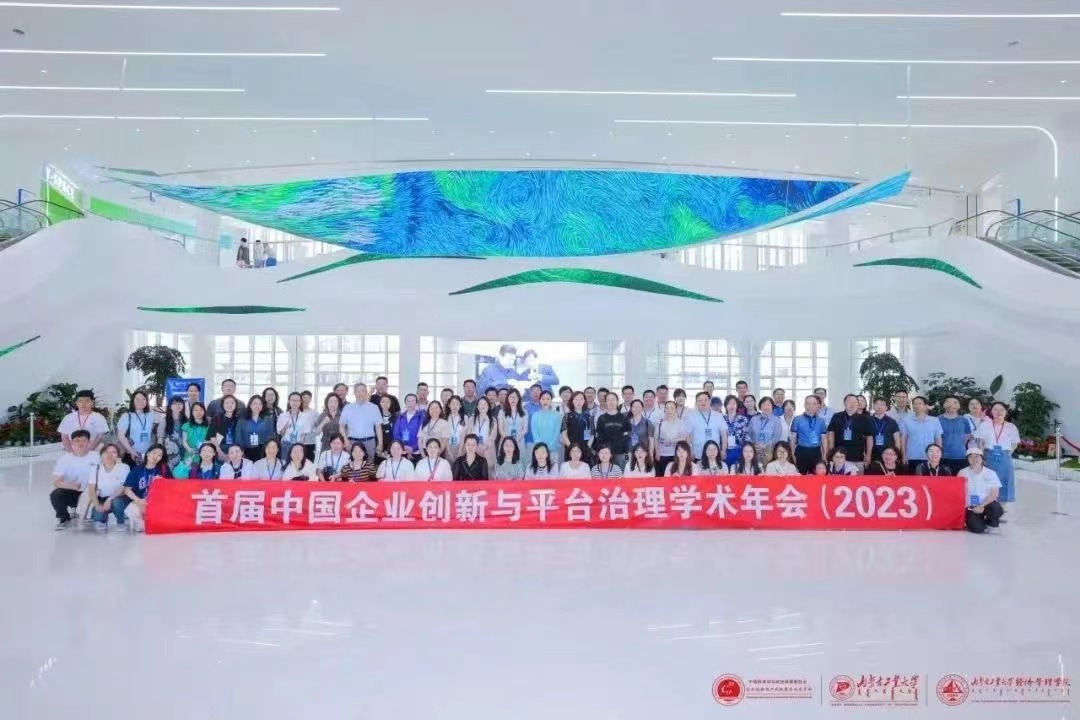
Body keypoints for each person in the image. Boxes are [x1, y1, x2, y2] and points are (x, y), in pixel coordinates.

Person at [49, 429, 97, 529]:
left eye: (84, 440)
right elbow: (57, 482)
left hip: (92, 493)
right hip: (74, 492)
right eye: (77, 441)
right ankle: (64, 518)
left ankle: (89, 513)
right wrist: (72, 486)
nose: (80, 444)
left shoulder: (96, 457)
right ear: (71, 443)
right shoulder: (64, 460)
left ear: (89, 442)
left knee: (94, 517)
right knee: (56, 494)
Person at [975, 401, 1020, 504]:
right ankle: (986, 504)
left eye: (1001, 410)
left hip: (1004, 457)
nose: (998, 412)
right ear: (991, 412)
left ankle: (1002, 506)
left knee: (1004, 480)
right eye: (995, 409)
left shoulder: (1011, 426)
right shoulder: (985, 425)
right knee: (988, 480)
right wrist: (982, 456)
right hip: (988, 456)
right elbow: (980, 442)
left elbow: (1014, 443)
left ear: (1006, 412)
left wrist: (1008, 454)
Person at [122, 444, 172, 533]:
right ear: (148, 453)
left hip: (158, 503)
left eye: (159, 455)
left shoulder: (164, 469)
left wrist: (163, 481)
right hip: (140, 502)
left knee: (154, 525)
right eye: (154, 453)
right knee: (132, 512)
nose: (156, 456)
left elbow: (172, 486)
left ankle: (153, 521)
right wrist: (138, 500)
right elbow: (127, 489)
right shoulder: (137, 470)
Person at [959, 447, 1005, 533]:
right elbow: (958, 492)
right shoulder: (962, 473)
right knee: (978, 529)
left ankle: (992, 523)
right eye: (970, 457)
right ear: (967, 459)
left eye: (977, 456)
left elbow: (994, 494)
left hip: (986, 503)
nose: (974, 459)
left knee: (996, 508)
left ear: (982, 458)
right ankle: (979, 521)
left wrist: (981, 505)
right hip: (970, 506)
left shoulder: (991, 473)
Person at [86, 443, 130, 531]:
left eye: (114, 452)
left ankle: (120, 521)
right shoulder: (95, 469)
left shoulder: (124, 467)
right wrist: (97, 504)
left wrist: (110, 499)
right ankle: (103, 520)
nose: (110, 455)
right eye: (107, 452)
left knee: (116, 502)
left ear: (117, 455)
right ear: (101, 454)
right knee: (98, 516)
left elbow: (123, 487)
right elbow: (91, 489)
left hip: (119, 497)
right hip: (101, 498)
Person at [826, 394, 873, 471]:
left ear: (857, 404)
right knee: (838, 477)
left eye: (855, 402)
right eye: (849, 401)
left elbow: (869, 437)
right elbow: (831, 432)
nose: (852, 404)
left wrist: (868, 454)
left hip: (857, 456)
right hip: (838, 455)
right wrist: (831, 449)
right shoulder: (837, 416)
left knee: (857, 478)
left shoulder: (864, 419)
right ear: (844, 403)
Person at [340, 382, 384, 461]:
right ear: (354, 393)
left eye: (363, 391)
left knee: (369, 466)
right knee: (352, 465)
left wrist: (380, 444)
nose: (360, 393)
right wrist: (345, 441)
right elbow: (341, 426)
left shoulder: (374, 407)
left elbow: (378, 427)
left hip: (369, 443)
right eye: (358, 391)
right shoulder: (347, 408)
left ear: (366, 392)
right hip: (352, 442)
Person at [900, 396, 943, 473]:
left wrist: (939, 456)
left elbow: (938, 439)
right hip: (912, 457)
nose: (917, 406)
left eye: (920, 403)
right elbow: (904, 439)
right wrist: (904, 456)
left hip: (930, 457)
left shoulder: (934, 420)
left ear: (925, 406)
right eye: (914, 404)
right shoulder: (906, 420)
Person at [117, 389, 155, 467]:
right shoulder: (126, 416)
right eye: (137, 399)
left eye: (143, 399)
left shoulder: (151, 415)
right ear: (133, 401)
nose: (140, 401)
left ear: (146, 401)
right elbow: (121, 436)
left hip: (148, 454)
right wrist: (131, 451)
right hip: (132, 454)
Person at [686, 391, 727, 462]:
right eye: (700, 400)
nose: (703, 403)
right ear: (696, 403)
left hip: (715, 454)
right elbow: (688, 436)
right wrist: (690, 451)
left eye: (705, 400)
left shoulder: (718, 416)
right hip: (698, 454)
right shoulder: (691, 417)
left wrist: (723, 450)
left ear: (710, 401)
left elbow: (724, 435)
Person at [790, 395, 827, 474]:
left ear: (818, 405)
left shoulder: (821, 421)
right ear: (804, 405)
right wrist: (792, 454)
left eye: (814, 404)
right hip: (801, 451)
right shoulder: (797, 419)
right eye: (808, 403)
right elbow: (793, 438)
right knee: (800, 476)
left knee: (816, 476)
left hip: (816, 452)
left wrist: (824, 455)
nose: (811, 406)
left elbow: (824, 439)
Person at [594, 392, 632, 468]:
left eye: (613, 399)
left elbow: (628, 438)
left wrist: (627, 455)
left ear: (617, 401)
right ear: (606, 403)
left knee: (621, 473)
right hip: (606, 454)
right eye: (608, 400)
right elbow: (599, 438)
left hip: (621, 454)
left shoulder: (624, 417)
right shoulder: (601, 418)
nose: (611, 402)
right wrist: (599, 452)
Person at [937, 395, 973, 473]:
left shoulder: (964, 420)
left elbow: (967, 437)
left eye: (955, 402)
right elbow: (935, 438)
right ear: (944, 404)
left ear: (959, 405)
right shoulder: (937, 420)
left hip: (961, 457)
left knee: (959, 479)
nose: (951, 405)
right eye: (948, 402)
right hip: (943, 457)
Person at [654, 400, 690, 476]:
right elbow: (656, 439)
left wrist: (672, 440)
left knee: (675, 476)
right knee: (663, 476)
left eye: (672, 408)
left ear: (676, 410)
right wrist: (657, 452)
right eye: (667, 408)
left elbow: (684, 438)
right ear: (664, 410)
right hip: (662, 454)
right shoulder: (660, 422)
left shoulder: (681, 423)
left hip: (676, 454)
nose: (669, 410)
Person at [560, 391, 595, 463]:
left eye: (581, 399)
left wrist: (587, 447)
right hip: (570, 449)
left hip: (584, 449)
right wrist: (571, 448)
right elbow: (564, 434)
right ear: (572, 401)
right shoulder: (567, 416)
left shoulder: (588, 417)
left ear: (584, 401)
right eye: (576, 399)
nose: (578, 402)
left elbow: (591, 435)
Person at [177, 402, 210, 477]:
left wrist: (204, 449)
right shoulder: (186, 425)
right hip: (190, 454)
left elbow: (210, 440)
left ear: (204, 412)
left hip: (205, 455)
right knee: (189, 475)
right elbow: (184, 441)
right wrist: (189, 449)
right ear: (192, 412)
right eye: (195, 410)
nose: (198, 412)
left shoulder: (208, 426)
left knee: (203, 476)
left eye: (201, 410)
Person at [278, 391, 314, 459]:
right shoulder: (282, 416)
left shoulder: (305, 416)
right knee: (285, 464)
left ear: (300, 402)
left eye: (297, 400)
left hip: (299, 445)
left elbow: (304, 435)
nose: (295, 402)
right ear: (289, 401)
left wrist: (300, 447)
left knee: (298, 464)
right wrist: (285, 427)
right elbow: (281, 434)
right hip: (286, 445)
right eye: (293, 400)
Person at [238, 395, 275, 463]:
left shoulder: (267, 419)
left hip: (262, 451)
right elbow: (238, 437)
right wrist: (240, 452)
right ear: (250, 405)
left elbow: (270, 437)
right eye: (254, 403)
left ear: (262, 406)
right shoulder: (242, 420)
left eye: (260, 404)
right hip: (246, 451)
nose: (257, 406)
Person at [529, 391, 563, 463]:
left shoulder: (558, 415)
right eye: (543, 399)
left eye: (548, 399)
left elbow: (557, 433)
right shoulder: (535, 415)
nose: (545, 401)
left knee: (553, 468)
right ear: (539, 400)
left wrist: (549, 447)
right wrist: (541, 447)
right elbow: (534, 433)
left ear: (551, 401)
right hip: (539, 450)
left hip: (553, 449)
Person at [867, 397, 902, 462]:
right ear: (873, 406)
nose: (879, 406)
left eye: (882, 404)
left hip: (889, 456)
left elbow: (897, 440)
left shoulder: (892, 421)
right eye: (877, 404)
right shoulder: (867, 421)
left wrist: (896, 455)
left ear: (886, 408)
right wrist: (867, 455)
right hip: (872, 455)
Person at [749, 398, 784, 462]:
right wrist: (754, 445)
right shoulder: (754, 419)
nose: (766, 407)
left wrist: (764, 446)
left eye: (768, 405)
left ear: (772, 406)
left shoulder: (776, 420)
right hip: (754, 450)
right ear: (760, 407)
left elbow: (776, 437)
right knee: (755, 467)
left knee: (768, 467)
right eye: (764, 405)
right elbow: (749, 434)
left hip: (769, 451)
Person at [391, 393, 423, 460]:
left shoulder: (421, 416)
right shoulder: (400, 417)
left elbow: (422, 435)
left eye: (413, 401)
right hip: (402, 450)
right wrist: (403, 446)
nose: (410, 403)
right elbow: (396, 433)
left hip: (417, 451)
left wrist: (413, 448)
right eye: (408, 401)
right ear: (405, 403)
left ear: (416, 403)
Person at [210, 395, 243, 460]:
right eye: (227, 403)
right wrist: (219, 452)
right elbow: (212, 437)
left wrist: (237, 453)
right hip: (220, 450)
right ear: (223, 405)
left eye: (232, 403)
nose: (229, 405)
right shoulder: (216, 418)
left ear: (236, 405)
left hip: (235, 452)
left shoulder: (238, 420)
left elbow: (241, 438)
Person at [159, 395, 187, 469]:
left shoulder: (187, 421)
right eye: (175, 403)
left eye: (180, 403)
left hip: (184, 452)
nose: (178, 405)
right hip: (169, 454)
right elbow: (160, 439)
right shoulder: (164, 420)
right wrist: (160, 452)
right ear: (170, 406)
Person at [470, 397, 499, 469]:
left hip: (488, 449)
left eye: (485, 404)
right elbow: (469, 435)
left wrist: (484, 447)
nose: (482, 406)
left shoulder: (493, 420)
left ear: (488, 406)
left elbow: (493, 437)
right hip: (474, 449)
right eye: (480, 404)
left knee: (488, 470)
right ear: (477, 406)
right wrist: (476, 447)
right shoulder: (472, 419)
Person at [625, 399, 655, 465]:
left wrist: (651, 455)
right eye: (634, 406)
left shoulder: (647, 423)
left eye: (638, 406)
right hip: (629, 453)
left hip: (643, 454)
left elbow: (651, 440)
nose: (636, 409)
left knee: (642, 470)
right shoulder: (626, 422)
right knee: (628, 469)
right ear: (631, 409)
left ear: (642, 408)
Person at [721, 395, 749, 466]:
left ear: (737, 405)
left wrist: (745, 451)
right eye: (729, 403)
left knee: (737, 470)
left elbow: (746, 436)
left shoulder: (743, 419)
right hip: (724, 451)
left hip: (739, 450)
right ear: (726, 406)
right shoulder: (721, 419)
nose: (731, 406)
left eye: (733, 403)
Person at [445, 395, 469, 462]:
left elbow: (464, 436)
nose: (455, 406)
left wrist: (460, 451)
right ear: (449, 405)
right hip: (448, 447)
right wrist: (449, 452)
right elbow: (444, 437)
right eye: (452, 403)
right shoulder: (445, 418)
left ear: (460, 405)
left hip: (461, 447)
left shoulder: (465, 418)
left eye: (457, 404)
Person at [299, 391, 319, 460]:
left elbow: (317, 427)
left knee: (309, 462)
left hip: (310, 442)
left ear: (310, 399)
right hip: (298, 442)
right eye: (304, 397)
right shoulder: (297, 411)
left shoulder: (315, 413)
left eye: (308, 398)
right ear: (301, 399)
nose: (306, 399)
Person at [522, 383, 543, 448]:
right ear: (530, 393)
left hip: (542, 440)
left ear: (541, 393)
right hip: (528, 440)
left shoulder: (546, 407)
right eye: (533, 391)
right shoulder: (524, 407)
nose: (535, 393)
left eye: (537, 390)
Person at [376, 394, 396, 462]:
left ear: (391, 404)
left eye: (387, 402)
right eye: (383, 401)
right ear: (379, 403)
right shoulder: (375, 416)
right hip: (377, 446)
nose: (385, 404)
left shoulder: (395, 418)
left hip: (389, 448)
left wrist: (388, 449)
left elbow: (394, 435)